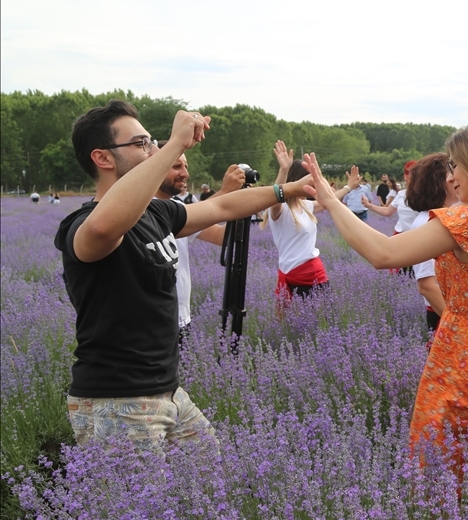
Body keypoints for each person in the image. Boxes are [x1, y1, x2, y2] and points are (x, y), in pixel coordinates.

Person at [301, 121, 468, 478]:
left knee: (443, 472)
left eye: (455, 165)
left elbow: (383, 254)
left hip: (466, 365)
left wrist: (331, 201)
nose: (451, 177)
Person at [55, 100, 311, 449]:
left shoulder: (156, 213)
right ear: (103, 158)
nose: (151, 149)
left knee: (212, 484)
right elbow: (103, 229)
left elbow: (220, 206)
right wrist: (175, 143)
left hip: (168, 392)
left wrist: (287, 190)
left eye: (152, 141)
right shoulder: (82, 224)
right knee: (142, 504)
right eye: (140, 143)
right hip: (116, 402)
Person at [155, 141, 246, 335]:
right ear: (154, 166)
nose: (185, 173)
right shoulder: (144, 209)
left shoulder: (177, 206)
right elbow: (183, 220)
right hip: (156, 324)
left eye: (186, 166)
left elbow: (222, 237)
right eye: (176, 166)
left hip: (181, 317)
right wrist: (225, 193)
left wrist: (240, 203)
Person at [267, 140, 356, 300]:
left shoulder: (306, 205)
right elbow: (274, 198)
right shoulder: (280, 210)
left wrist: (348, 187)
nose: (312, 186)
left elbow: (330, 200)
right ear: (296, 181)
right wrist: (283, 170)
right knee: (296, 322)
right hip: (294, 274)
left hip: (315, 272)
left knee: (323, 319)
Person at [405, 153, 460, 333]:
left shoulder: (448, 216)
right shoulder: (427, 222)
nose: (455, 179)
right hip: (444, 313)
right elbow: (427, 285)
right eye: (450, 174)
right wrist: (458, 328)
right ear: (438, 184)